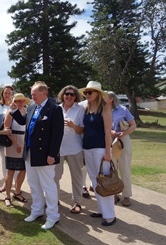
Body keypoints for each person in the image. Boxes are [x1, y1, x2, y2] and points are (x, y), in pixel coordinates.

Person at [10, 81, 64, 230]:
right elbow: (24, 122)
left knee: (48, 186)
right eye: (32, 94)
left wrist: (52, 154)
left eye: (35, 94)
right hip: (30, 152)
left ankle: (53, 216)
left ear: (44, 93)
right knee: (34, 184)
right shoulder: (32, 107)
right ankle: (37, 210)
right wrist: (14, 111)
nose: (32, 96)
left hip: (45, 155)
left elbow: (57, 134)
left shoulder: (54, 109)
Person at [79, 81, 115, 226]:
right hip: (88, 147)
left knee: (104, 181)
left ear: (98, 94)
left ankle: (110, 215)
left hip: (101, 148)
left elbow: (107, 132)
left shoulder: (105, 108)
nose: (87, 95)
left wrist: (108, 151)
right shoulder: (87, 108)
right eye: (86, 92)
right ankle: (101, 210)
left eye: (90, 92)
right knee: (95, 181)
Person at [54, 85, 85, 214]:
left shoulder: (80, 109)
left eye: (72, 94)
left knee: (77, 177)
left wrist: (74, 126)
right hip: (58, 149)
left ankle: (77, 202)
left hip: (75, 149)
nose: (69, 96)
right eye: (67, 94)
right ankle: (54, 199)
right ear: (63, 95)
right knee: (55, 176)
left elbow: (83, 130)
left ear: (75, 97)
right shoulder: (57, 109)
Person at [105, 91, 136, 207]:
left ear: (111, 98)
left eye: (105, 96)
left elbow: (133, 125)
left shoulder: (123, 109)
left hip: (123, 141)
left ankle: (126, 195)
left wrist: (124, 133)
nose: (102, 98)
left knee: (125, 169)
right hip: (109, 141)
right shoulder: (101, 111)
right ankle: (115, 193)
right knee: (112, 169)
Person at [3, 93, 29, 207]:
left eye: (22, 101)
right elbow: (7, 129)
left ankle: (17, 192)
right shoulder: (10, 112)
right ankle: (7, 196)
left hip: (25, 143)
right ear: (14, 101)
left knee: (23, 170)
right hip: (13, 143)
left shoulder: (27, 112)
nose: (20, 103)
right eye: (17, 101)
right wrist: (16, 143)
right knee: (11, 170)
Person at [0, 85, 15, 192]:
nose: (7, 95)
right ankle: (6, 183)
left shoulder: (15, 105)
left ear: (12, 94)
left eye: (9, 93)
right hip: (0, 136)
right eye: (5, 93)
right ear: (2, 94)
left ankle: (15, 183)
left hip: (13, 136)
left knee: (14, 160)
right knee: (4, 160)